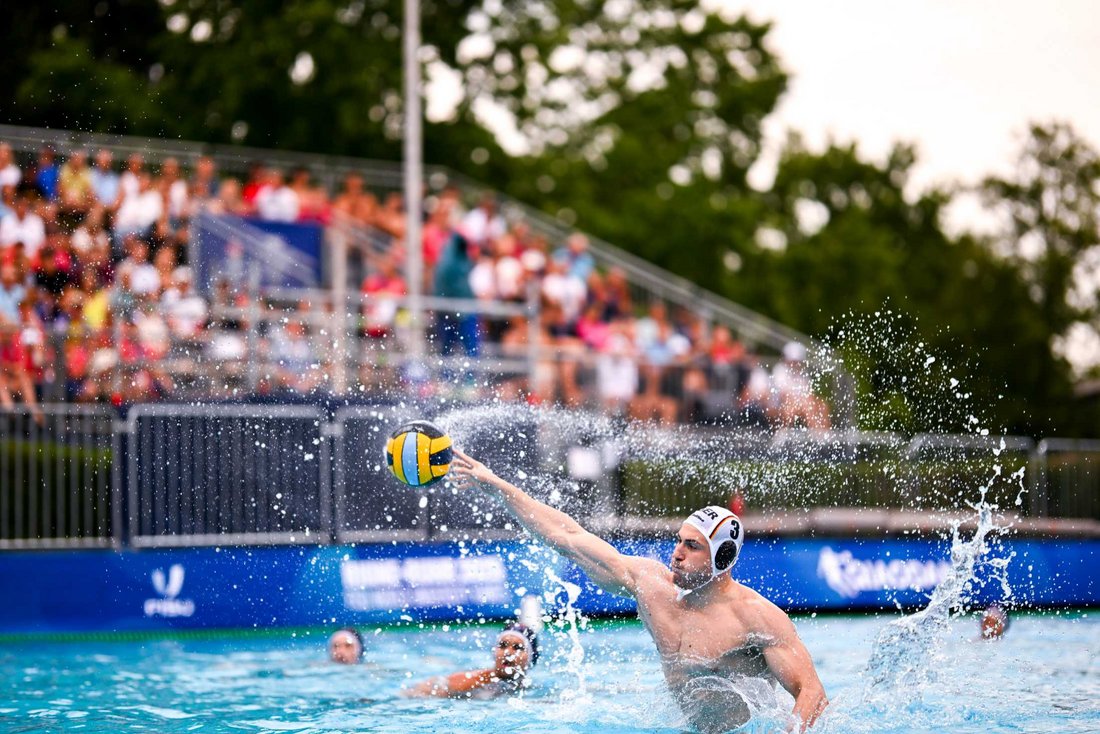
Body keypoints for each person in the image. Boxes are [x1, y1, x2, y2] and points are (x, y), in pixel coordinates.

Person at [450, 450, 828, 732]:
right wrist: (497, 487)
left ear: (723, 558)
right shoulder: (651, 587)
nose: (676, 554)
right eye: (679, 541)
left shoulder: (756, 618)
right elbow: (567, 536)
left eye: (692, 547)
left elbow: (812, 693)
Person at [405, 623, 539, 699]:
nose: (507, 653)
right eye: (502, 645)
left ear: (531, 656)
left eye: (517, 648)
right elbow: (418, 691)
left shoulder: (526, 687)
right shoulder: (473, 681)